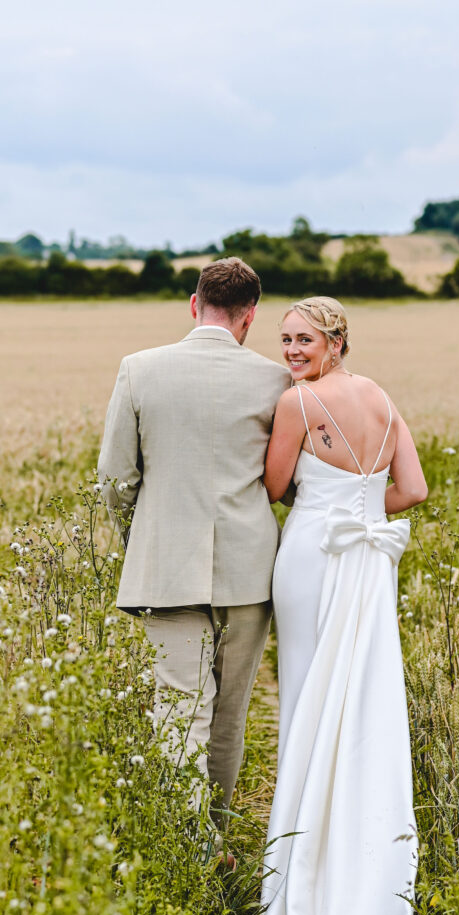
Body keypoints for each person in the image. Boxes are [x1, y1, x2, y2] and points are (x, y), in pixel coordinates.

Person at [250, 296, 428, 915]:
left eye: (303, 339)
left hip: (312, 558)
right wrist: (358, 509)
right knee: (360, 702)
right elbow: (410, 489)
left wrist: (328, 509)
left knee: (305, 701)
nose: (292, 351)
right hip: (367, 564)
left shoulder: (298, 403)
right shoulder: (380, 398)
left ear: (334, 340)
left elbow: (272, 485)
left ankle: (304, 873)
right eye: (285, 339)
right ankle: (358, 864)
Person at [97, 257, 291, 838]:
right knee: (229, 717)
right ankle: (217, 837)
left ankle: (189, 851)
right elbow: (285, 482)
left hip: (164, 565)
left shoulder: (139, 369)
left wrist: (143, 537)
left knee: (179, 711)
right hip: (249, 570)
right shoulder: (275, 379)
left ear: (193, 303)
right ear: (249, 317)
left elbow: (114, 479)